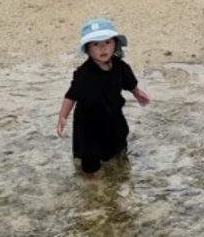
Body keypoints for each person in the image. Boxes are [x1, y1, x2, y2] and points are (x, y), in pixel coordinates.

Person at [56, 17, 151, 176]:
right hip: (89, 123)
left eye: (107, 42)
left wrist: (137, 92)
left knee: (119, 143)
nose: (102, 48)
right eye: (96, 44)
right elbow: (71, 96)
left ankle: (119, 166)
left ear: (115, 44)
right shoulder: (83, 74)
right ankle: (92, 184)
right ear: (87, 49)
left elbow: (129, 82)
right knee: (90, 156)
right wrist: (62, 116)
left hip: (113, 115)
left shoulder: (120, 66)